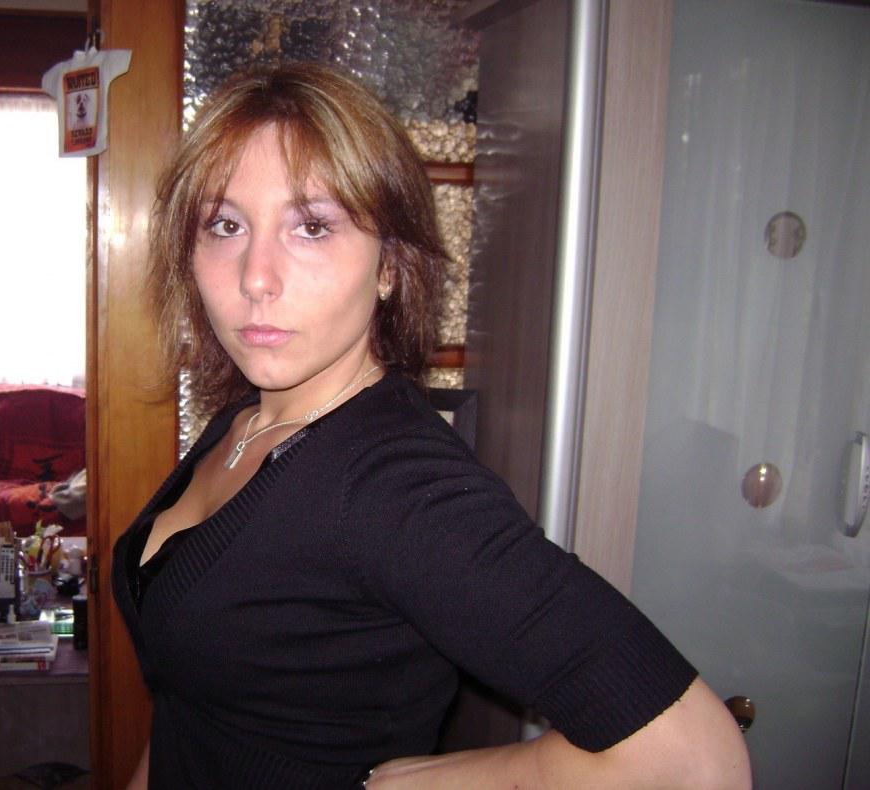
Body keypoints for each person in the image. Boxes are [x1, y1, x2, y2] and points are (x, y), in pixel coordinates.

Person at [112, 62, 751, 789]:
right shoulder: (250, 416)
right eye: (225, 226)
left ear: (389, 266)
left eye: (312, 227)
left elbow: (695, 759)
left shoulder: (395, 487)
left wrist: (462, 778)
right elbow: (190, 706)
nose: (255, 277)